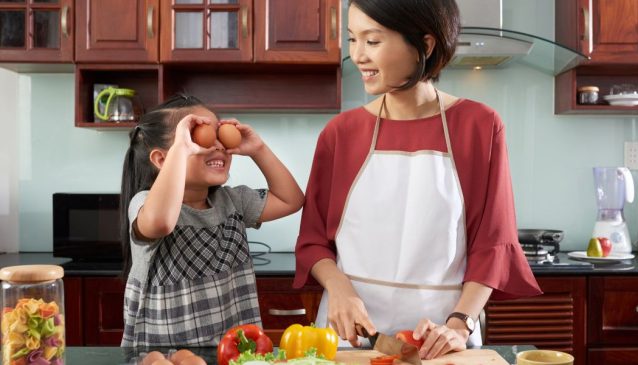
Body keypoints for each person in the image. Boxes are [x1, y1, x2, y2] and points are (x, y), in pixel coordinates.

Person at [294, 0, 542, 360]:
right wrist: (340, 289)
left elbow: (493, 243)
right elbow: (313, 240)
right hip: (348, 339)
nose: (358, 55)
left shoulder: (480, 126)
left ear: (425, 45)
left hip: (440, 338)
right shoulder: (340, 133)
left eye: (373, 41)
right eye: (352, 39)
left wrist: (459, 323)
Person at [119, 94, 304, 347]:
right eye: (200, 135)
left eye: (219, 133)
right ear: (162, 160)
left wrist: (258, 149)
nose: (217, 144)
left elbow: (290, 199)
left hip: (233, 354)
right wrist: (182, 148)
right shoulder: (144, 203)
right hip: (164, 358)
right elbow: (161, 222)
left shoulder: (232, 202)